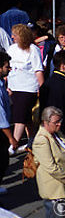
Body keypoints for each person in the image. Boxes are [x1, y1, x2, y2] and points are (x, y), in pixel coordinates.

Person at [32, 106, 65, 218]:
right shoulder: (41, 140)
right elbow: (50, 167)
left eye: (60, 121)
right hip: (53, 188)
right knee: (58, 215)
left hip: (62, 184)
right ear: (45, 122)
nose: (59, 124)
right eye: (56, 122)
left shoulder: (57, 133)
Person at [8, 23, 44, 150]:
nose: (12, 37)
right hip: (13, 87)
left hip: (28, 88)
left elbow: (38, 70)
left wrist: (42, 88)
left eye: (15, 35)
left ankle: (14, 144)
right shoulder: (12, 49)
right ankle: (33, 140)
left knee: (20, 116)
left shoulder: (32, 49)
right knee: (27, 117)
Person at [0, 52, 17, 194]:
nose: (9, 68)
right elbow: (1, 117)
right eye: (7, 66)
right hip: (1, 132)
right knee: (2, 160)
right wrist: (11, 138)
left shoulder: (2, 83)